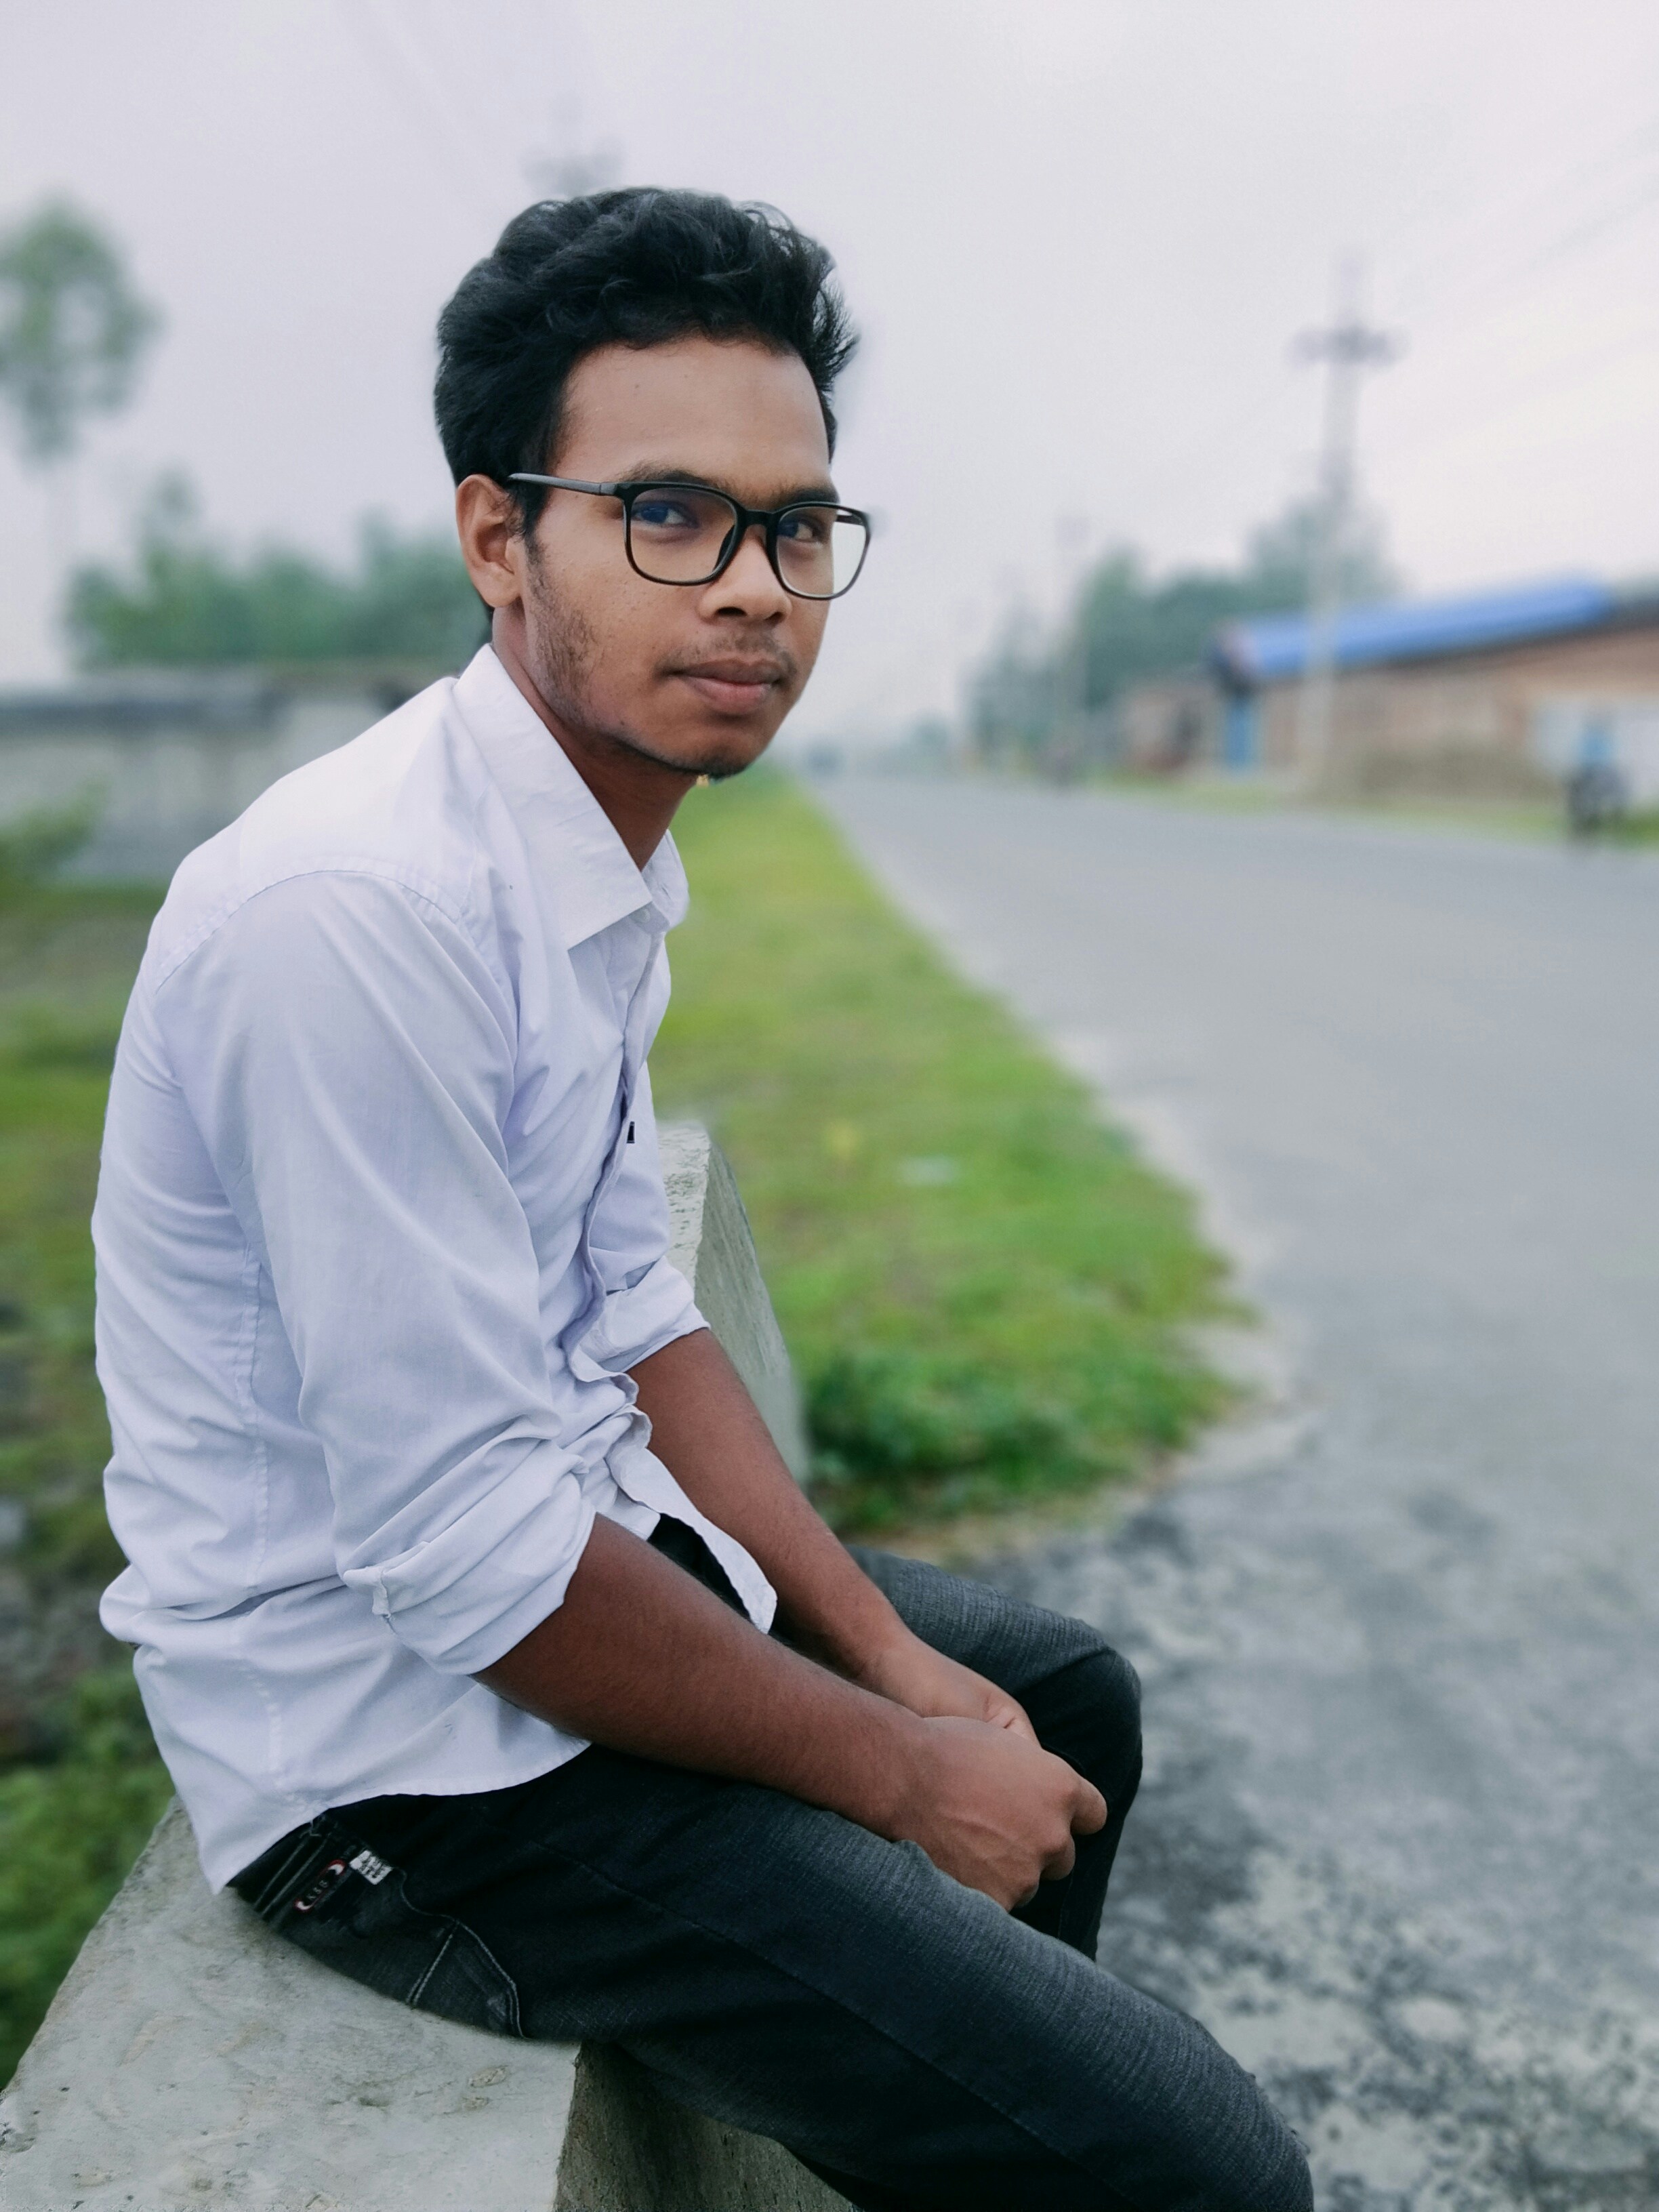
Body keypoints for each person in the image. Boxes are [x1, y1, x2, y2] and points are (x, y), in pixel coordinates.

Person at [94, 188, 1311, 2211]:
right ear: (500, 539)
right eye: (667, 514)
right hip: (409, 1774)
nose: (753, 588)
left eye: (794, 526)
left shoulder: (580, 862)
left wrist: (898, 1663)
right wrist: (906, 1774)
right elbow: (473, 1567)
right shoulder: (355, 913)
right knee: (1209, 2172)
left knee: (1062, 1692)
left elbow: (634, 1320)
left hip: (554, 1578)